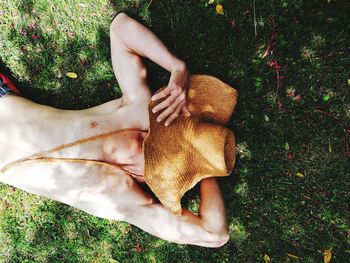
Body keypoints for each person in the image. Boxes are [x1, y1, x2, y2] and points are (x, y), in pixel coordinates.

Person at [0, 13, 229, 247]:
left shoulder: (120, 197)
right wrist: (178, 68)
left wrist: (205, 171)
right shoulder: (139, 110)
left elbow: (215, 235)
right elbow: (120, 29)